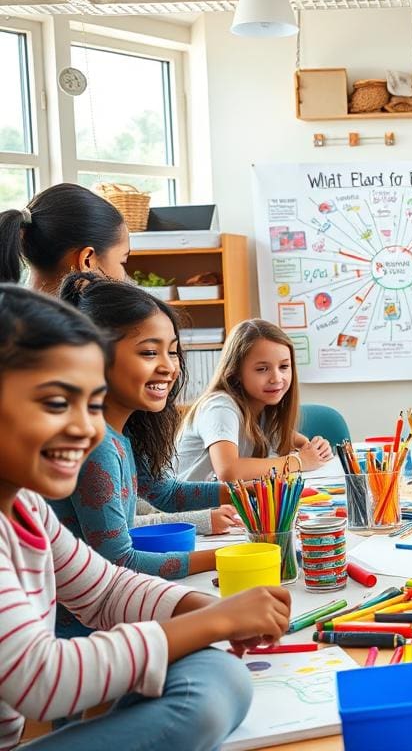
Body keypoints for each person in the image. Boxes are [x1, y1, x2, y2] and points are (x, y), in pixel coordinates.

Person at [0, 284, 290, 751]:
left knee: (221, 676)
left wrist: (216, 612)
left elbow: (107, 586)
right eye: (57, 403)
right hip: (53, 682)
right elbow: (42, 679)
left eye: (93, 403)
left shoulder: (26, 507)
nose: (87, 428)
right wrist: (216, 622)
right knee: (205, 691)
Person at [50, 275, 234, 592]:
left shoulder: (118, 433)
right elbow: (120, 563)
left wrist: (239, 492)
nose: (168, 367)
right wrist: (226, 556)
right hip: (84, 629)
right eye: (149, 353)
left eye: (173, 352)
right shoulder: (94, 445)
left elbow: (164, 492)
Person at [175, 319, 332, 482]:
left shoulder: (260, 408)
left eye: (284, 367)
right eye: (262, 369)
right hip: (187, 507)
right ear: (235, 372)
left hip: (219, 505)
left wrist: (314, 448)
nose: (277, 378)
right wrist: (300, 461)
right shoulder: (220, 407)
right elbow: (228, 471)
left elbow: (289, 438)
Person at [0, 183, 129, 290]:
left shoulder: (13, 313)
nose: (126, 277)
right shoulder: (101, 320)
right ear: (87, 260)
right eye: (122, 262)